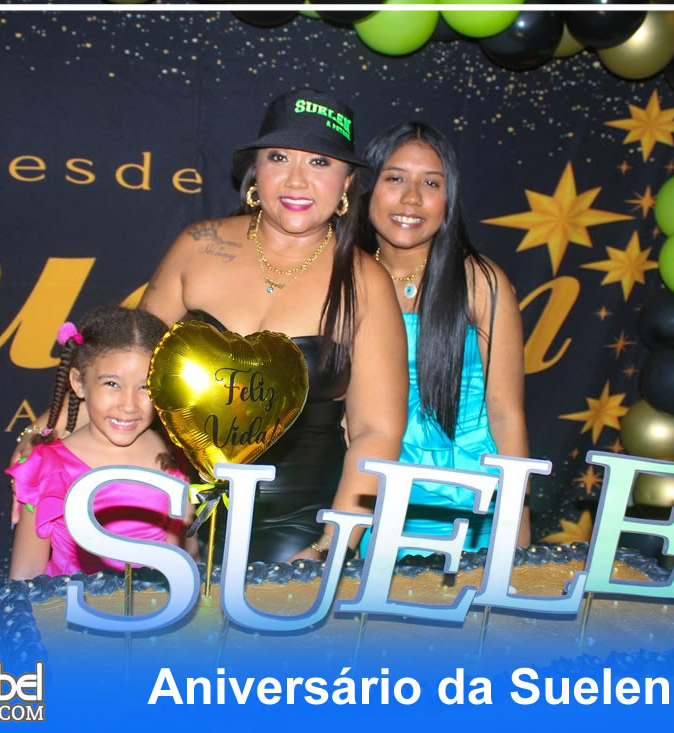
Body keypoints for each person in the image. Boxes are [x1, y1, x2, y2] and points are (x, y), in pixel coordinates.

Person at [139, 88, 407, 562]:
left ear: (347, 183)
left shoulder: (367, 282)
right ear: (255, 172)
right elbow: (127, 361)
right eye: (279, 157)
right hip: (175, 516)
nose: (297, 180)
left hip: (300, 527)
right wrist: (57, 425)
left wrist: (330, 547)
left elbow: (376, 432)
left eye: (320, 162)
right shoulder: (197, 246)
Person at [357, 121, 531, 555]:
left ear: (448, 199)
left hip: (473, 510)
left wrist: (517, 530)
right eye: (395, 178)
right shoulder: (345, 277)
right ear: (367, 187)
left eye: (431, 183)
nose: (412, 198)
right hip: (370, 502)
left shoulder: (480, 281)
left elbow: (507, 414)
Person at [7, 306, 193, 580]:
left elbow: (186, 564)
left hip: (159, 606)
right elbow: (24, 582)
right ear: (78, 382)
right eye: (112, 384)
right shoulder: (47, 467)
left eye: (146, 387)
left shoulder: (176, 455)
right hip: (70, 607)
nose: (128, 405)